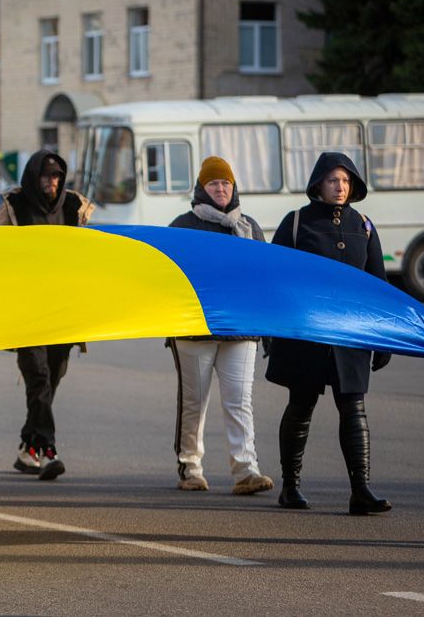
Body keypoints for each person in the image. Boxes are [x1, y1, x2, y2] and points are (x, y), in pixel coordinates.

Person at [266, 152, 393, 516]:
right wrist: (271, 329)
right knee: (301, 406)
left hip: (350, 336)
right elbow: (274, 279)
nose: (341, 187)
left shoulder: (364, 226)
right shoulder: (295, 223)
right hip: (304, 334)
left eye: (346, 181)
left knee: (354, 408)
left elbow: (377, 285)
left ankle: (361, 490)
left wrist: (382, 338)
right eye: (334, 180)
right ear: (318, 184)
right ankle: (290, 486)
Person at [167, 157, 273, 495]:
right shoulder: (183, 226)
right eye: (214, 184)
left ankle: (246, 470)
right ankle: (190, 468)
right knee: (194, 403)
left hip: (241, 329)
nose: (221, 189)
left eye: (226, 183)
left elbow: (264, 276)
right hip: (194, 330)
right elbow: (169, 277)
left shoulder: (249, 227)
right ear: (202, 189)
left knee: (240, 401)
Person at [0, 150, 92, 480]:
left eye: (57, 177)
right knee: (38, 378)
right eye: (47, 176)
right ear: (33, 177)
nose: (52, 182)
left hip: (63, 311)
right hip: (27, 312)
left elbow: (92, 252)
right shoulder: (15, 206)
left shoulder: (73, 207)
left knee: (53, 376)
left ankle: (28, 448)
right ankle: (49, 450)